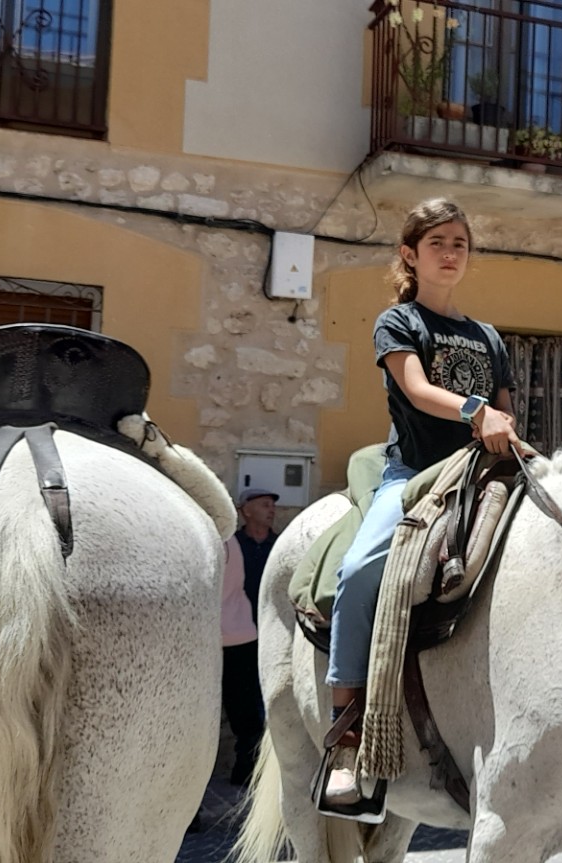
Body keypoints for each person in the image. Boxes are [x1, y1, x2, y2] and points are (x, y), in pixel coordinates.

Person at [322, 198, 521, 808]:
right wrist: (473, 409)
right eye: (438, 242)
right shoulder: (397, 321)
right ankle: (348, 739)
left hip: (483, 472)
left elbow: (506, 406)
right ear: (410, 254)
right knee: (359, 573)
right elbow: (415, 387)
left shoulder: (487, 336)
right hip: (414, 474)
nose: (451, 252)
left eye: (460, 242)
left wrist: (507, 428)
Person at [219, 487, 277, 786]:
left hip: (261, 637)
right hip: (233, 636)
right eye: (264, 505)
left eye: (272, 505)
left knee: (252, 709)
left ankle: (247, 770)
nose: (271, 510)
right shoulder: (232, 545)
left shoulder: (278, 547)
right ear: (246, 510)